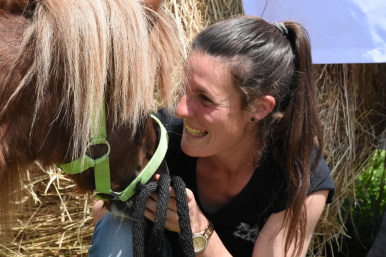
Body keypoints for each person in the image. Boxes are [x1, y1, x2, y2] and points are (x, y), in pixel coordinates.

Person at [88, 15, 335, 257]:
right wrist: (132, 204)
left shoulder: (300, 175)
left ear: (259, 108)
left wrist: (196, 229)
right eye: (185, 89)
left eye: (205, 98)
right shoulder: (163, 136)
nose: (180, 109)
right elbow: (101, 211)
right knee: (116, 227)